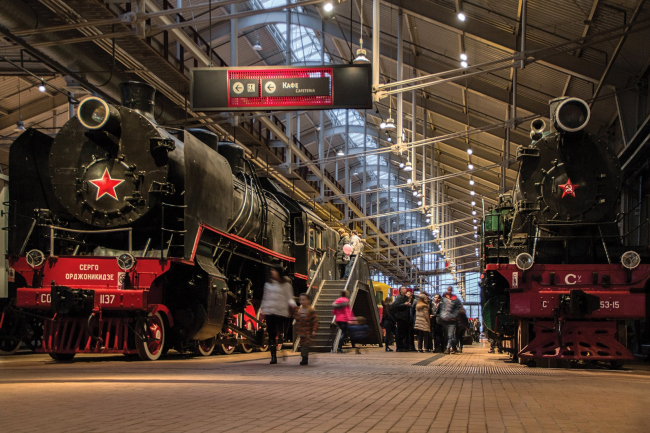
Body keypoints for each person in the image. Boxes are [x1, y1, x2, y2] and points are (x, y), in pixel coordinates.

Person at [260, 264, 297, 364]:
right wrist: (262, 310)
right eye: (271, 270)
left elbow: (290, 298)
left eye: (274, 270)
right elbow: (265, 298)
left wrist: (293, 306)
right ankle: (273, 356)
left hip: (280, 312)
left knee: (278, 330)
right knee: (271, 333)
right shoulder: (268, 285)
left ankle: (280, 341)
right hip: (269, 311)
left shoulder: (287, 285)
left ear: (279, 272)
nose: (271, 272)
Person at [294, 293, 319, 365]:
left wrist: (314, 330)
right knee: (302, 345)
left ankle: (304, 359)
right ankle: (304, 357)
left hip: (308, 331)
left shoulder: (311, 310)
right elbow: (295, 317)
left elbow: (315, 321)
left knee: (305, 345)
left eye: (303, 300)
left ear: (308, 301)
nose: (302, 301)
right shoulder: (298, 310)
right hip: (300, 331)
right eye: (300, 300)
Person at [438, 287, 462, 354]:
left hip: (452, 320)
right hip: (444, 319)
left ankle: (448, 348)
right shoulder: (443, 300)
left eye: (450, 290)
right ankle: (454, 348)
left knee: (450, 335)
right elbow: (441, 308)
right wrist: (442, 315)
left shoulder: (456, 300)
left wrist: (453, 316)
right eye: (448, 290)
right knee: (448, 335)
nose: (449, 291)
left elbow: (457, 308)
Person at [390, 286, 411, 352]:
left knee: (404, 333)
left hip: (405, 318)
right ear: (400, 290)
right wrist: (404, 304)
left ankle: (404, 346)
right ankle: (399, 347)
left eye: (405, 288)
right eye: (403, 289)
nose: (405, 289)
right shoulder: (399, 297)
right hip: (401, 318)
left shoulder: (405, 297)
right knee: (400, 333)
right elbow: (396, 306)